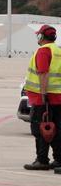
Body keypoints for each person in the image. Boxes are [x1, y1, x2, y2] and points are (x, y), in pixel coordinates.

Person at [23, 24, 61, 171]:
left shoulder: (43, 51)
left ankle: (42, 159)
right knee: (57, 128)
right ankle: (58, 159)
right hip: (58, 97)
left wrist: (44, 94)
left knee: (40, 129)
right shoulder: (58, 50)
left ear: (41, 36)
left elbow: (43, 73)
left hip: (44, 98)